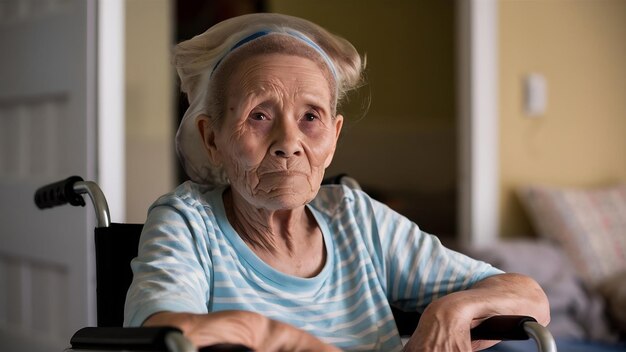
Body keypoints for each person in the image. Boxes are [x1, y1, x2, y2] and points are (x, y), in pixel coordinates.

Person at [124, 13, 550, 351]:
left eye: (310, 117)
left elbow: (530, 297)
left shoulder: (354, 216)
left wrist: (451, 310)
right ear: (212, 138)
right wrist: (282, 338)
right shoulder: (187, 221)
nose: (288, 143)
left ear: (334, 138)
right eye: (259, 115)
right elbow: (167, 330)